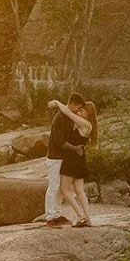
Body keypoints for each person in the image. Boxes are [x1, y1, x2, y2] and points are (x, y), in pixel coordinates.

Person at [41, 92, 92, 227]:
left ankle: (56, 214)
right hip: (55, 156)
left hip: (63, 157)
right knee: (53, 186)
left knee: (59, 188)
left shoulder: (69, 118)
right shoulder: (60, 119)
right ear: (73, 104)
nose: (79, 111)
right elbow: (60, 141)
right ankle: (50, 217)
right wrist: (75, 148)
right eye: (78, 107)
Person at [54, 97, 96, 228]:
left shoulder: (85, 124)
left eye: (83, 111)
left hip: (72, 158)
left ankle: (80, 216)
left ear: (89, 114)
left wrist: (56, 102)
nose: (79, 112)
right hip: (79, 158)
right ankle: (88, 218)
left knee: (64, 189)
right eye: (80, 110)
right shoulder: (88, 125)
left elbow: (68, 112)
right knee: (79, 190)